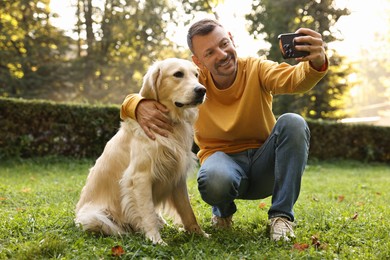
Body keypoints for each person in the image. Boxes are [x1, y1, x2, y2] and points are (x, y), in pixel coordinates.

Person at [120, 18, 328, 242]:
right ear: (197, 60)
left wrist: (316, 62)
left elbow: (295, 80)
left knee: (293, 122)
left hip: (265, 166)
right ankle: (222, 214)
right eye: (209, 53)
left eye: (223, 43)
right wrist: (137, 105)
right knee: (215, 177)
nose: (221, 54)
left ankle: (281, 217)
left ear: (231, 38)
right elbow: (141, 94)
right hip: (222, 169)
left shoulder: (256, 68)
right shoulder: (194, 85)